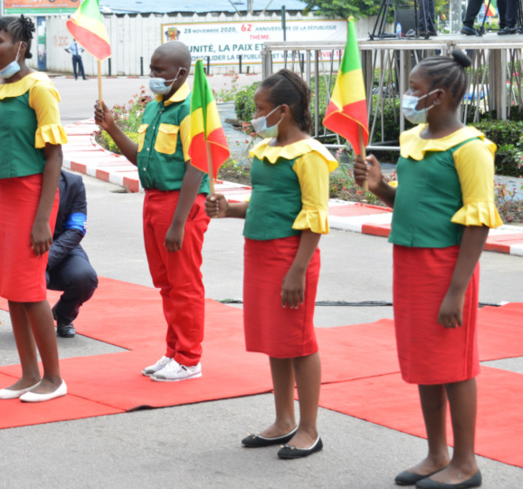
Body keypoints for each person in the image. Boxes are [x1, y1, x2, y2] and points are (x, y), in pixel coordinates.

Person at [354, 51, 501, 489]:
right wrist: (381, 188)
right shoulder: (415, 138)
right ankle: (437, 453)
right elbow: (413, 206)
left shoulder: (470, 148)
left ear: (438, 96)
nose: (408, 96)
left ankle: (466, 462)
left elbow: (478, 221)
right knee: (425, 362)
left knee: (455, 365)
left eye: (415, 90)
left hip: (447, 268)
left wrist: (457, 290)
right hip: (410, 262)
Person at [205, 69, 335, 459]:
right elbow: (265, 201)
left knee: (299, 340)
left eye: (261, 110)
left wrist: (298, 269)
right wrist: (228, 210)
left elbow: (315, 215)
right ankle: (283, 420)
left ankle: (309, 428)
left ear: (283, 110)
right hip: (259, 253)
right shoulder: (268, 148)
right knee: (276, 342)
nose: (254, 118)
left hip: (290, 257)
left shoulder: (309, 155)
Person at [94, 41, 209, 382]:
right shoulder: (154, 108)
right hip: (154, 200)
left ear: (181, 73)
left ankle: (189, 358)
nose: (154, 77)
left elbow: (197, 167)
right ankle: (173, 351)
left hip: (181, 204)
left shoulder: (190, 109)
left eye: (160, 71)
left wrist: (178, 223)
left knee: (184, 284)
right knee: (167, 284)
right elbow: (140, 157)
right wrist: (112, 128)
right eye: (152, 70)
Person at [0, 15, 67, 402]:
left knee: (30, 290)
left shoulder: (40, 88)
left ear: (21, 48)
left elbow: (54, 156)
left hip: (32, 196)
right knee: (12, 290)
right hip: (3, 195)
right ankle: (28, 373)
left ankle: (54, 378)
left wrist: (43, 219)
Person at [47, 171, 97, 338]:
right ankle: (30, 318)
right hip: (28, 248)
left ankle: (64, 315)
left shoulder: (73, 182)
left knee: (84, 277)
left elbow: (76, 229)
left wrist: (49, 256)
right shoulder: (23, 180)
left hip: (63, 245)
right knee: (36, 277)